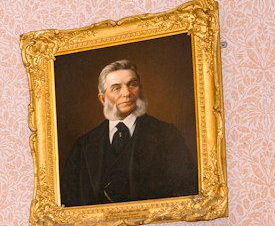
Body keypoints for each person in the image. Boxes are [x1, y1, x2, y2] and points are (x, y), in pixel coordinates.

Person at [60, 58, 198, 207]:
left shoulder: (166, 135)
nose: (126, 93)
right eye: (116, 88)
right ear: (102, 98)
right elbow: (68, 201)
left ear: (140, 89)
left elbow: (187, 191)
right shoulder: (83, 145)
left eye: (132, 84)